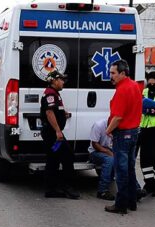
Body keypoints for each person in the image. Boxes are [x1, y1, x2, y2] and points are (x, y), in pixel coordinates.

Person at [104, 59, 142, 215]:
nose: (110, 76)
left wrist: (108, 130)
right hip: (134, 132)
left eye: (113, 73)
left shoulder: (122, 89)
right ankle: (132, 201)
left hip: (123, 133)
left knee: (121, 171)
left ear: (122, 73)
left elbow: (118, 117)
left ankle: (121, 205)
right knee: (130, 169)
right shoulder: (134, 86)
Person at [40, 69, 79, 199]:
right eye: (61, 79)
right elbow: (49, 113)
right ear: (54, 81)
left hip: (53, 134)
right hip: (53, 136)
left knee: (53, 159)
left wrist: (63, 114)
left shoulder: (55, 93)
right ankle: (68, 187)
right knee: (68, 156)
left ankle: (51, 189)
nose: (63, 82)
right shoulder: (51, 93)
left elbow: (56, 110)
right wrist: (58, 131)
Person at [88, 119, 115, 200]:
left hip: (111, 150)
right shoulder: (99, 125)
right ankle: (102, 191)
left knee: (125, 159)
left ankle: (136, 188)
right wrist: (108, 152)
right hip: (95, 151)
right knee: (109, 160)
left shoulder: (118, 126)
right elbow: (94, 144)